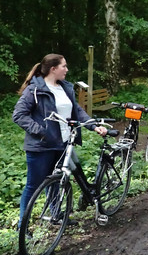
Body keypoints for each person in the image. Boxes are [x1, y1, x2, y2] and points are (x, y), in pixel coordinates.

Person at [12, 54, 108, 229]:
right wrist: (41, 131)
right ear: (53, 69)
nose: (67, 69)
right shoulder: (35, 90)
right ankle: (22, 227)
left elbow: (77, 111)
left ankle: (56, 215)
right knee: (33, 186)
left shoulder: (65, 87)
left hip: (63, 144)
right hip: (41, 146)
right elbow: (19, 115)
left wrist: (94, 126)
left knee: (57, 181)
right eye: (64, 66)